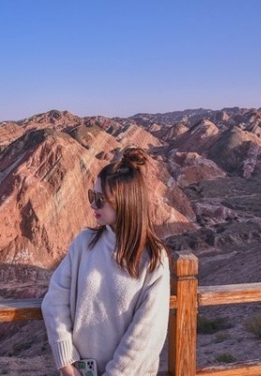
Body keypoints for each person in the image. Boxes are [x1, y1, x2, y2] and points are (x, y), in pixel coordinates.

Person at [41, 147, 170, 376]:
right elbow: (55, 299)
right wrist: (67, 361)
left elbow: (146, 333)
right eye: (93, 196)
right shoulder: (84, 243)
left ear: (125, 202)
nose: (92, 205)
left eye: (100, 200)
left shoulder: (153, 259)